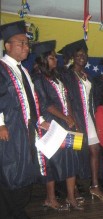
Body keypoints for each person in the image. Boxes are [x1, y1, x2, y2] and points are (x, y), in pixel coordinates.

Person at [0, 20, 49, 218]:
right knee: (10, 172)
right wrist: (0, 124)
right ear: (7, 46)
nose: (26, 47)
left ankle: (16, 210)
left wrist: (40, 120)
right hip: (9, 129)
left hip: (27, 129)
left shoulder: (24, 71)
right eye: (21, 43)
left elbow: (31, 101)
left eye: (27, 43)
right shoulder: (2, 69)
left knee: (24, 171)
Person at [31, 40, 83, 210]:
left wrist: (71, 118)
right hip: (51, 126)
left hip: (66, 124)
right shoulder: (38, 79)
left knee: (72, 161)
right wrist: (65, 118)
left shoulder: (58, 76)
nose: (56, 61)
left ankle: (71, 197)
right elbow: (46, 105)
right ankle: (50, 199)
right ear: (43, 60)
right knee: (51, 163)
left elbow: (67, 98)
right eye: (52, 58)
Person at [62, 39, 103, 201]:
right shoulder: (67, 74)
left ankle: (95, 186)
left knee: (95, 150)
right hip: (74, 120)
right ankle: (72, 189)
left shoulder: (87, 76)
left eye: (84, 54)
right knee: (74, 153)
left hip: (88, 118)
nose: (82, 57)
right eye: (79, 54)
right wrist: (72, 119)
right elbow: (65, 98)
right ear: (73, 57)